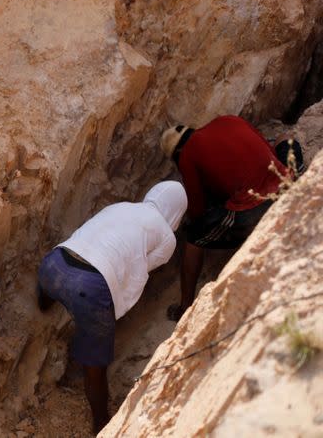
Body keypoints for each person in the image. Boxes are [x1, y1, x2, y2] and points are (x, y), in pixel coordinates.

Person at [37, 181, 187, 433]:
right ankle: (101, 422)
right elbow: (142, 269)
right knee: (96, 365)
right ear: (177, 211)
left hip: (52, 264)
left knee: (59, 284)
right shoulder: (166, 236)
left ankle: (44, 303)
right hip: (88, 288)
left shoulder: (122, 206)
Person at [160, 116, 303, 321]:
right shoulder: (227, 120)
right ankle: (303, 181)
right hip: (284, 182)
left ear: (177, 155)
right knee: (285, 138)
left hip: (255, 206)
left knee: (194, 238)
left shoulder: (186, 156)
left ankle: (185, 306)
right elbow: (265, 149)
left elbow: (197, 210)